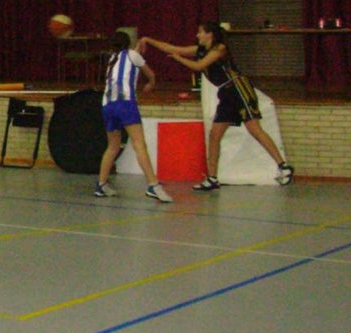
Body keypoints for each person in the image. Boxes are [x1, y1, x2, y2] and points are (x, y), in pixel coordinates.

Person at [141, 22, 293, 190]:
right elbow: (172, 48)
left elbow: (199, 66)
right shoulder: (199, 49)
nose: (197, 35)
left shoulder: (219, 49)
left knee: (255, 129)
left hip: (238, 89)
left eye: (200, 32)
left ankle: (283, 167)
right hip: (226, 94)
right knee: (214, 135)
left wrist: (178, 58)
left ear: (210, 34)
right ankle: (212, 178)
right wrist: (148, 40)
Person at [94, 31, 173, 202]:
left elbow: (132, 55)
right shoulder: (133, 55)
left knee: (112, 147)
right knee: (139, 144)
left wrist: (139, 45)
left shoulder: (112, 60)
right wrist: (150, 84)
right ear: (129, 43)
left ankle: (101, 184)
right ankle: (153, 184)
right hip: (125, 103)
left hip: (107, 105)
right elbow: (150, 74)